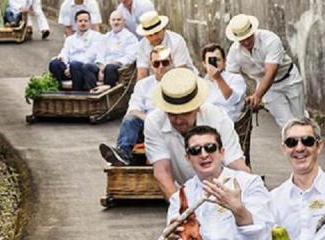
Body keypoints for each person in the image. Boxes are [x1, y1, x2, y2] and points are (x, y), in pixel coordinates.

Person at [145, 68, 251, 199]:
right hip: (185, 192)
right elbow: (162, 172)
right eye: (172, 114)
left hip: (225, 190)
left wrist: (250, 195)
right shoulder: (154, 122)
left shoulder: (217, 117)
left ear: (197, 107)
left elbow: (236, 165)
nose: (178, 120)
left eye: (185, 113)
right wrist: (180, 208)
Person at [225, 14, 305, 129]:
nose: (246, 42)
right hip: (268, 88)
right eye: (242, 40)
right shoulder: (234, 52)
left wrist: (257, 96)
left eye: (248, 37)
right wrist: (242, 98)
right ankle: (292, 144)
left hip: (289, 79)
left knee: (300, 119)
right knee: (286, 124)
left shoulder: (270, 40)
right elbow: (231, 77)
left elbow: (271, 72)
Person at [99, 45, 172, 166]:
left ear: (171, 63)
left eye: (165, 63)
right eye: (156, 64)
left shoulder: (181, 82)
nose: (161, 67)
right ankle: (123, 154)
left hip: (172, 123)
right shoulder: (143, 85)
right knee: (130, 120)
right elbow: (133, 110)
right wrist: (150, 120)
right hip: (147, 124)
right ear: (151, 66)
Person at [48, 10, 102, 91]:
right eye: (80, 21)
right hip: (70, 69)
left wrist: (71, 67)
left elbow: (90, 56)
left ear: (90, 22)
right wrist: (62, 58)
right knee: (54, 64)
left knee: (75, 65)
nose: (83, 23)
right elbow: (65, 52)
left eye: (86, 21)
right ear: (76, 23)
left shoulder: (96, 37)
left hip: (87, 69)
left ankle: (77, 94)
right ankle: (58, 91)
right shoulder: (70, 39)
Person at [86, 10, 139, 93]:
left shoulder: (130, 38)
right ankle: (93, 93)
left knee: (110, 68)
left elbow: (130, 57)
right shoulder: (105, 37)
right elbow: (100, 54)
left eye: (118, 20)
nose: (116, 22)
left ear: (124, 22)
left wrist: (111, 64)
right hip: (103, 66)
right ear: (110, 22)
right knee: (87, 67)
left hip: (119, 68)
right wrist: (101, 68)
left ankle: (109, 97)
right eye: (113, 20)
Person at [134, 11, 195, 80]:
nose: (154, 38)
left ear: (164, 29)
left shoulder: (177, 41)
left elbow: (181, 71)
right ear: (145, 36)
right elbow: (142, 73)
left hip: (183, 79)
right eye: (150, 35)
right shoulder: (142, 45)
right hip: (156, 82)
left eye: (156, 33)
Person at [201, 43, 246, 122]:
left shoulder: (235, 78)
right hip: (206, 122)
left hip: (229, 121)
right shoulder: (201, 84)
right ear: (204, 64)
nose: (215, 63)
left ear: (224, 61)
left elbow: (233, 100)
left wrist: (218, 78)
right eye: (210, 61)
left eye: (218, 60)